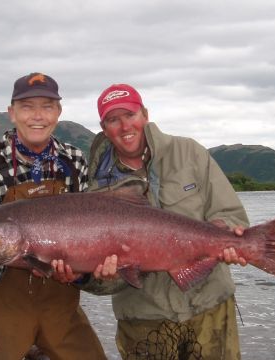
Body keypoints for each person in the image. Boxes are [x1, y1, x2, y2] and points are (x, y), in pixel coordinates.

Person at [53, 83, 250, 359]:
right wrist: (86, 276)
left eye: (130, 115)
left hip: (210, 308)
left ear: (144, 114)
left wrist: (230, 238)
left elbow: (231, 214)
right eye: (113, 120)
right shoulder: (98, 191)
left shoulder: (190, 153)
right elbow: (104, 284)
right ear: (103, 127)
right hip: (143, 320)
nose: (124, 126)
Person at [0, 72, 106, 360]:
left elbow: (89, 234)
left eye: (46, 106)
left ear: (58, 112)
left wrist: (81, 273)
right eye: (27, 107)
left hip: (60, 300)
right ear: (11, 113)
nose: (37, 116)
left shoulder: (74, 161)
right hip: (0, 306)